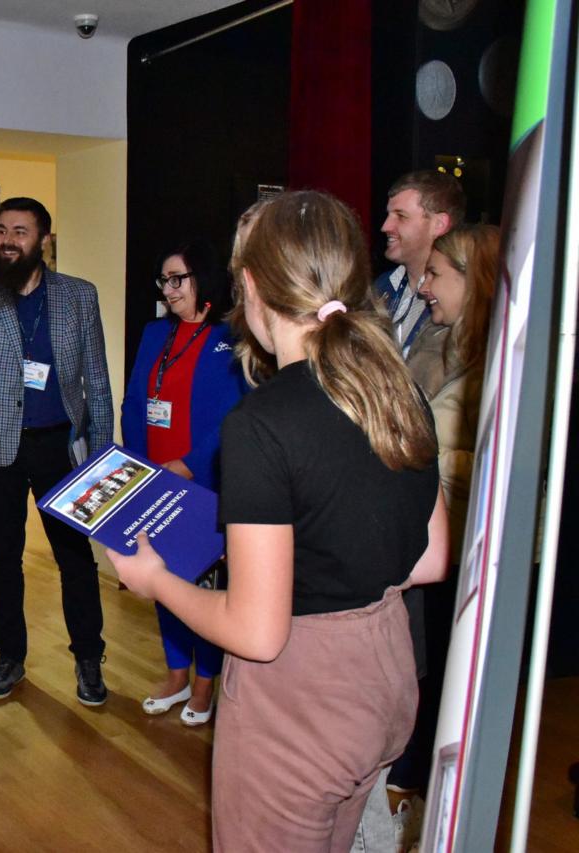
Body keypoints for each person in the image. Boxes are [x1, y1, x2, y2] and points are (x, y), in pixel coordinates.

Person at [109, 190, 449, 851]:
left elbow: (256, 632)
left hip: (301, 699)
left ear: (254, 287)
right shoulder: (395, 387)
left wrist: (156, 581)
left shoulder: (262, 424)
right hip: (385, 672)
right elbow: (431, 558)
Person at [0, 197, 114, 706]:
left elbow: (97, 380)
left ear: (43, 240)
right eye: (2, 231)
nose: (7, 241)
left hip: (60, 445)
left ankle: (88, 657)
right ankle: (9, 656)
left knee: (75, 560)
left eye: (20, 232)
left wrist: (103, 455)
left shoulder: (79, 295)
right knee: (2, 559)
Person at [381, 224, 500, 848]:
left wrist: (411, 457)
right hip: (435, 548)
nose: (423, 286)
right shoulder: (445, 345)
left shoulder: (498, 365)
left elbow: (493, 467)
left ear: (473, 281)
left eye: (436, 275)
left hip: (466, 560)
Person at [119, 242, 246, 726]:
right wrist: (138, 465)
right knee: (163, 576)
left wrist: (190, 464)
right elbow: (135, 402)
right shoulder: (155, 333)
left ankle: (206, 681)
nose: (168, 290)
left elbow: (236, 414)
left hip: (204, 482)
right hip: (155, 479)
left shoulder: (232, 336)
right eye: (164, 280)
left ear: (204, 279)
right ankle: (177, 674)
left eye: (178, 279)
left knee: (204, 584)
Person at [375, 170, 466, 359]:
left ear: (439, 224)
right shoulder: (381, 286)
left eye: (401, 216)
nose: (385, 227)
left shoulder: (456, 302)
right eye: (388, 215)